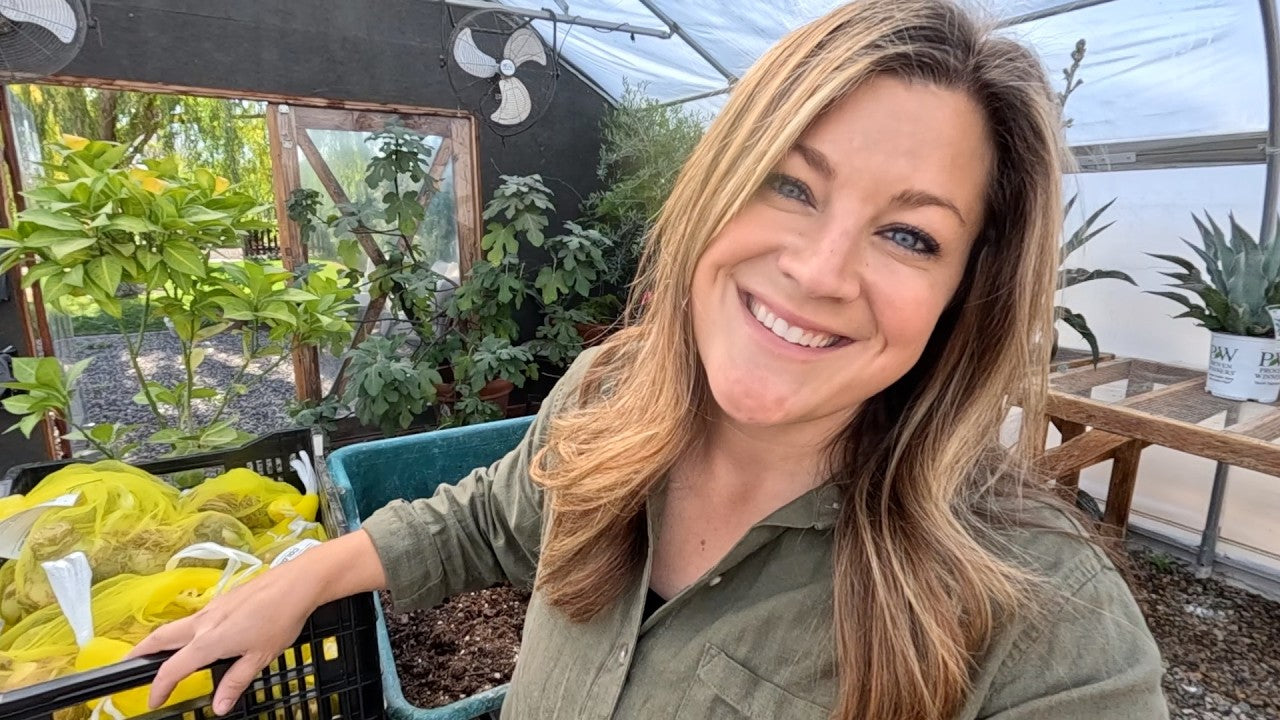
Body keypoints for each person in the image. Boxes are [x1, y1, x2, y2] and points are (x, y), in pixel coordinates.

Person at [132, 1, 1168, 717]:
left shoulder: (1039, 621)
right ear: (713, 190)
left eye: (908, 236)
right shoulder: (613, 394)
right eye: (788, 184)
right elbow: (496, 516)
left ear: (963, 294)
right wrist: (308, 577)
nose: (815, 270)